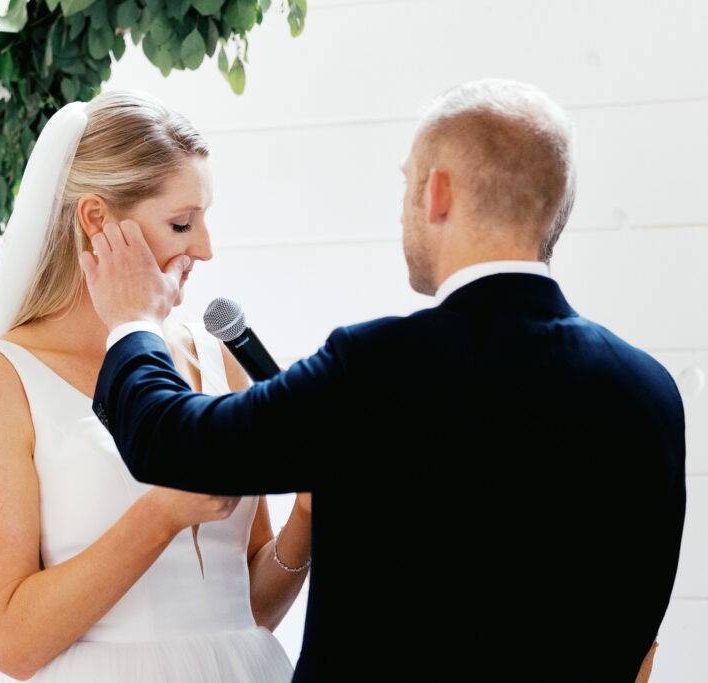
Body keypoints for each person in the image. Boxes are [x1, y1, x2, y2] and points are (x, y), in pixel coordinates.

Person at [83, 79, 686, 682]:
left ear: (438, 192)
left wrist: (133, 320)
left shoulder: (374, 367)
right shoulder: (651, 394)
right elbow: (640, 626)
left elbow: (173, 442)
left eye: (406, 184)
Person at [0, 92, 311, 682]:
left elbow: (252, 609)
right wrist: (161, 514)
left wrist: (308, 521)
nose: (206, 248)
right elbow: (12, 643)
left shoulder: (217, 358)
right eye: (181, 223)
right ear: (96, 220)